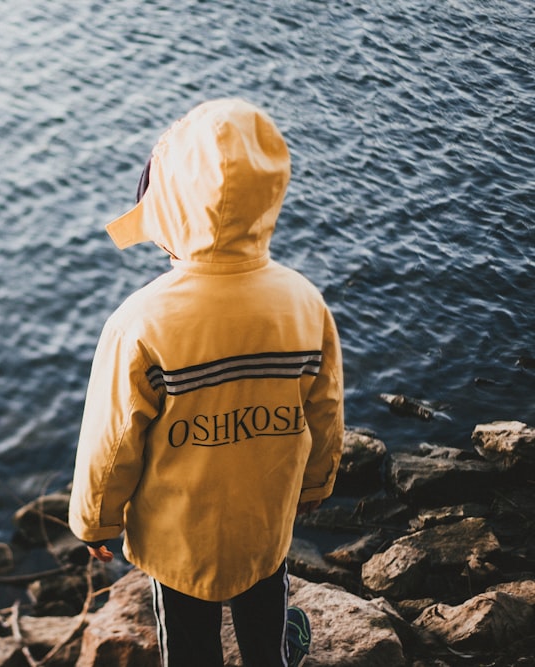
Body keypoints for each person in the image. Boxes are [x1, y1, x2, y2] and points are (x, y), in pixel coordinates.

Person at [68, 98, 344, 667]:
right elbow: (325, 409)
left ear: (168, 211)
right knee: (266, 612)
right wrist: (316, 484)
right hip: (265, 521)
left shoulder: (140, 321)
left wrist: (96, 518)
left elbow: (113, 440)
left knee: (189, 648)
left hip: (180, 539)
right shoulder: (302, 302)